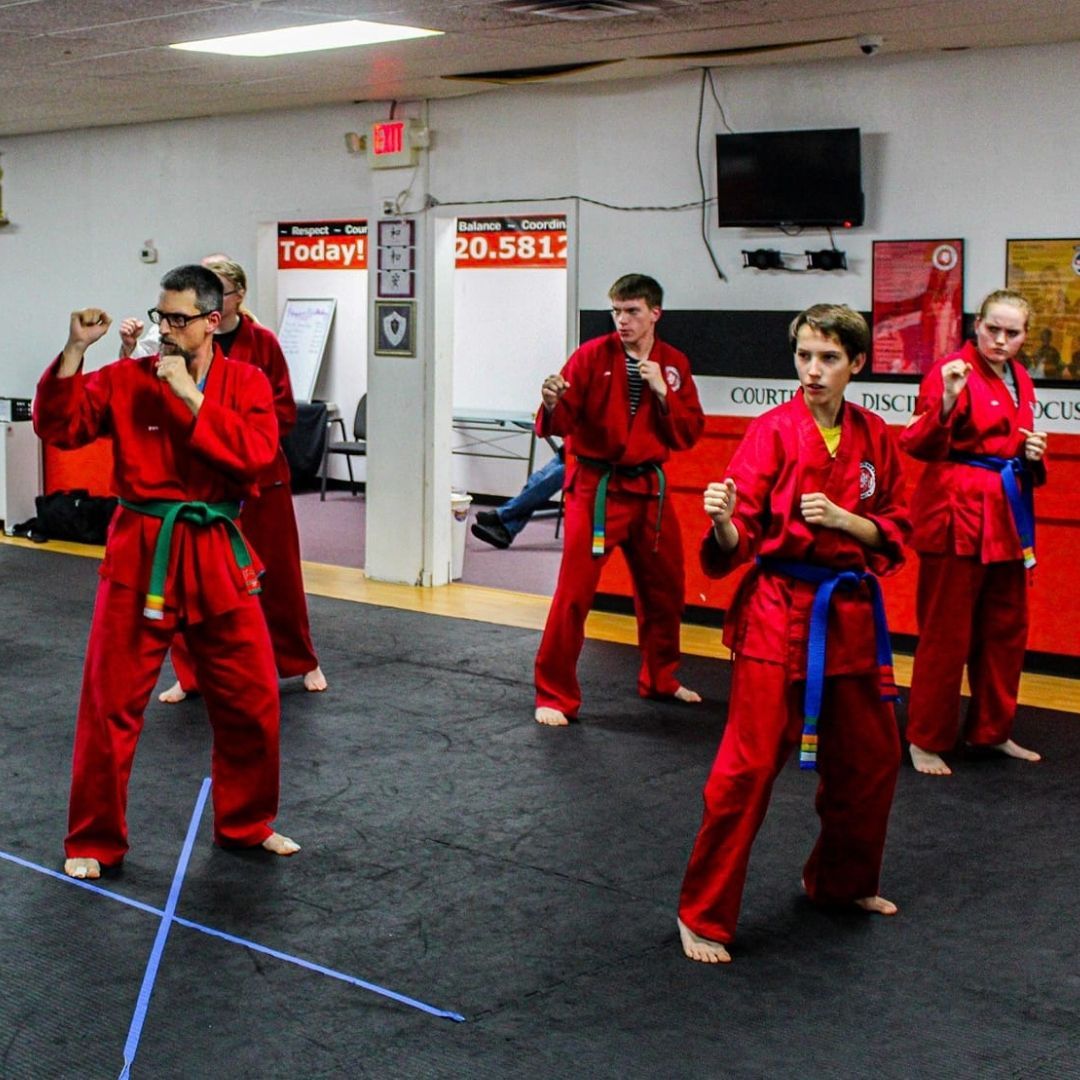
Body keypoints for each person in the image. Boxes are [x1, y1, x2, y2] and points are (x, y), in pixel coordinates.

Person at [34, 264, 299, 880]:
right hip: (141, 554)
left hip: (216, 554)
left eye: (181, 319)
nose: (168, 329)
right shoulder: (128, 379)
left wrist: (190, 396)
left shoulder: (248, 382)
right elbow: (60, 426)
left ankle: (246, 823)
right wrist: (74, 351)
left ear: (213, 321)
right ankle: (94, 838)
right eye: (163, 317)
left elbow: (257, 457)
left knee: (253, 700)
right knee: (109, 704)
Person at [677, 304, 910, 964]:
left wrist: (845, 520)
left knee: (871, 757)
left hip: (849, 613)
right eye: (804, 356)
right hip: (778, 612)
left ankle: (841, 882)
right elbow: (741, 534)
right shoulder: (772, 432)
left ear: (856, 364)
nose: (813, 370)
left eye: (828, 358)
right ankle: (701, 912)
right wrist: (724, 522)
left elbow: (898, 526)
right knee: (747, 766)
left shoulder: (874, 435)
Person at [121, 256, 327, 701]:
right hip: (198, 481)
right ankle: (191, 673)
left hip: (259, 479)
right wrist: (128, 351)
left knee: (278, 578)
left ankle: (301, 659)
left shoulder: (261, 344)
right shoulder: (174, 344)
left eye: (217, 287)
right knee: (187, 578)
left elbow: (281, 412)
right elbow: (144, 394)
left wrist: (236, 428)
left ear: (233, 299)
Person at [533, 274, 704, 726]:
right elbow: (562, 421)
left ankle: (661, 677)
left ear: (655, 313)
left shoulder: (673, 364)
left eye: (631, 311)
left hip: (649, 491)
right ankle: (554, 693)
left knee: (666, 589)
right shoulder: (591, 356)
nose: (622, 320)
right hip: (597, 488)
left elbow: (688, 433)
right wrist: (551, 402)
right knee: (574, 594)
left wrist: (664, 394)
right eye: (616, 311)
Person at [900, 289, 1048, 776]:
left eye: (1012, 333)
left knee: (1005, 629)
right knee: (946, 634)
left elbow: (1012, 442)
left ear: (1024, 336)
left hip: (1007, 513)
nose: (1000, 340)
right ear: (977, 326)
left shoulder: (1020, 378)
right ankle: (926, 737)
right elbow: (917, 443)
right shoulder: (951, 370)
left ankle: (991, 730)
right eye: (993, 329)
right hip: (956, 511)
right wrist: (946, 401)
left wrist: (1031, 454)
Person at [471, 448, 565, 549]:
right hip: (565, 454)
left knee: (546, 481)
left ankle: (500, 517)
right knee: (535, 481)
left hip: (576, 463)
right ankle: (505, 531)